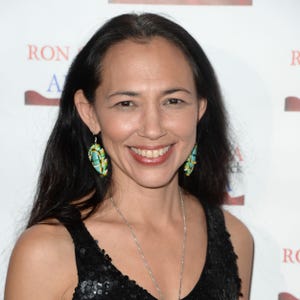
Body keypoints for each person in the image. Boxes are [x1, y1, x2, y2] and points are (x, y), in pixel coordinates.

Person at [4, 13, 253, 300]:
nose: (152, 128)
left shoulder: (235, 239)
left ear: (199, 109)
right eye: (126, 103)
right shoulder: (46, 252)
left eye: (173, 101)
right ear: (89, 113)